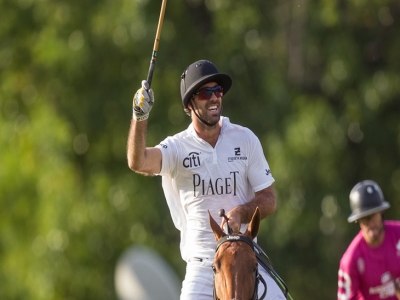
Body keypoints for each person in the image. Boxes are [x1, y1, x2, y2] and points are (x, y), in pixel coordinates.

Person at [126, 60, 286, 299]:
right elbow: (138, 161)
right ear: (189, 104)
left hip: (245, 260)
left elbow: (269, 199)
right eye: (205, 93)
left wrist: (241, 213)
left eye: (217, 91)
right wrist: (140, 117)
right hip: (202, 266)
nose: (214, 98)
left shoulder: (245, 139)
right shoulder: (177, 148)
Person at [337, 180, 400, 300]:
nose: (371, 223)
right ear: (358, 221)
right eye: (365, 219)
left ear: (381, 213)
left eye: (373, 216)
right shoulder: (350, 260)